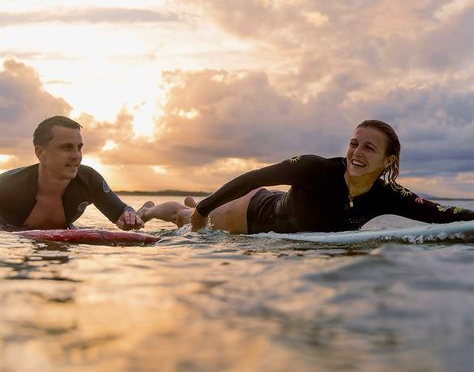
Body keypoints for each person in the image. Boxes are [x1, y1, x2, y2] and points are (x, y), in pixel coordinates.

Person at [137, 119, 474, 234]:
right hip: (254, 214)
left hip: (297, 238)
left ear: (388, 160)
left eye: (369, 148)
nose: (357, 153)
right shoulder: (315, 168)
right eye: (354, 143)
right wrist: (204, 209)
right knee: (185, 219)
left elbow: (443, 214)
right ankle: (150, 211)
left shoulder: (388, 195)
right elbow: (254, 177)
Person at [0, 115, 144, 231]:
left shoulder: (89, 180)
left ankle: (148, 212)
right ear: (41, 152)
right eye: (66, 148)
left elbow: (122, 210)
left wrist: (129, 217)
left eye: (79, 147)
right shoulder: (7, 186)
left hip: (67, 243)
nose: (76, 156)